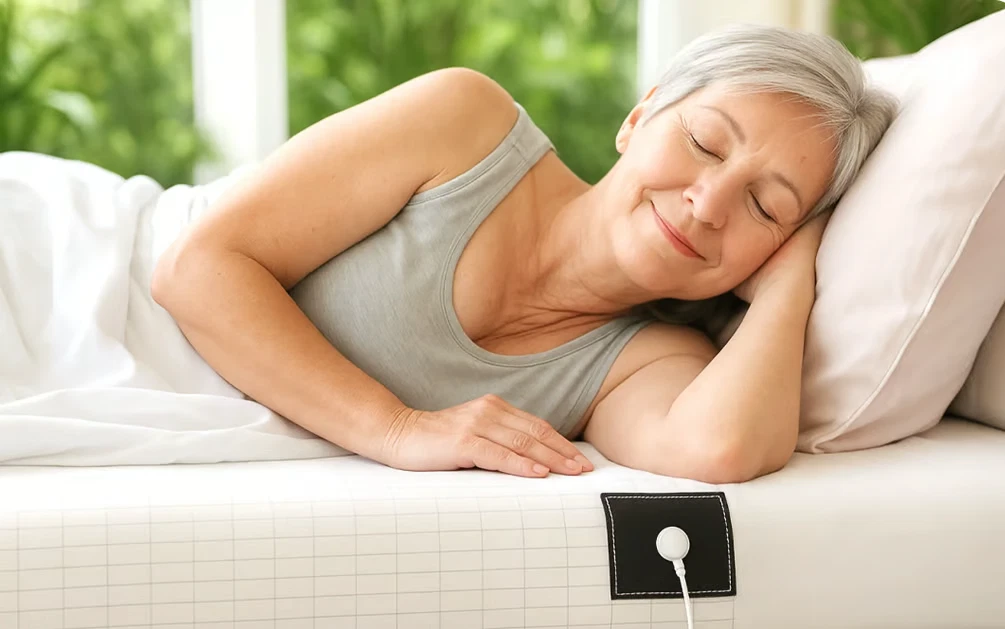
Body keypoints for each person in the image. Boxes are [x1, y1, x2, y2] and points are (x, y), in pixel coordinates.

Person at [151, 24, 897, 484]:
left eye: (765, 206)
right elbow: (197, 267)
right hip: (87, 261)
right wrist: (396, 428)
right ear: (639, 116)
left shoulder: (644, 362)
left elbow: (718, 448)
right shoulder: (465, 123)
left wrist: (788, 286)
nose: (706, 203)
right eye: (702, 142)